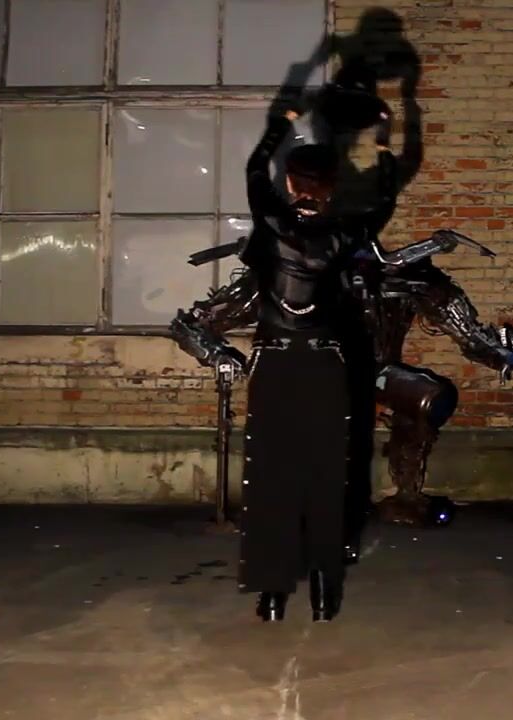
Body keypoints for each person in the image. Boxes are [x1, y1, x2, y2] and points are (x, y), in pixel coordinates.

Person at [170, 97, 397, 622]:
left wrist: (283, 125)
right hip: (326, 368)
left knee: (271, 477)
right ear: (331, 186)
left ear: (292, 183)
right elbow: (385, 194)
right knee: (327, 476)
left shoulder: (270, 221)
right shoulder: (349, 231)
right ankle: (322, 593)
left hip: (275, 366)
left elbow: (255, 167)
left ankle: (272, 596)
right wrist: (384, 140)